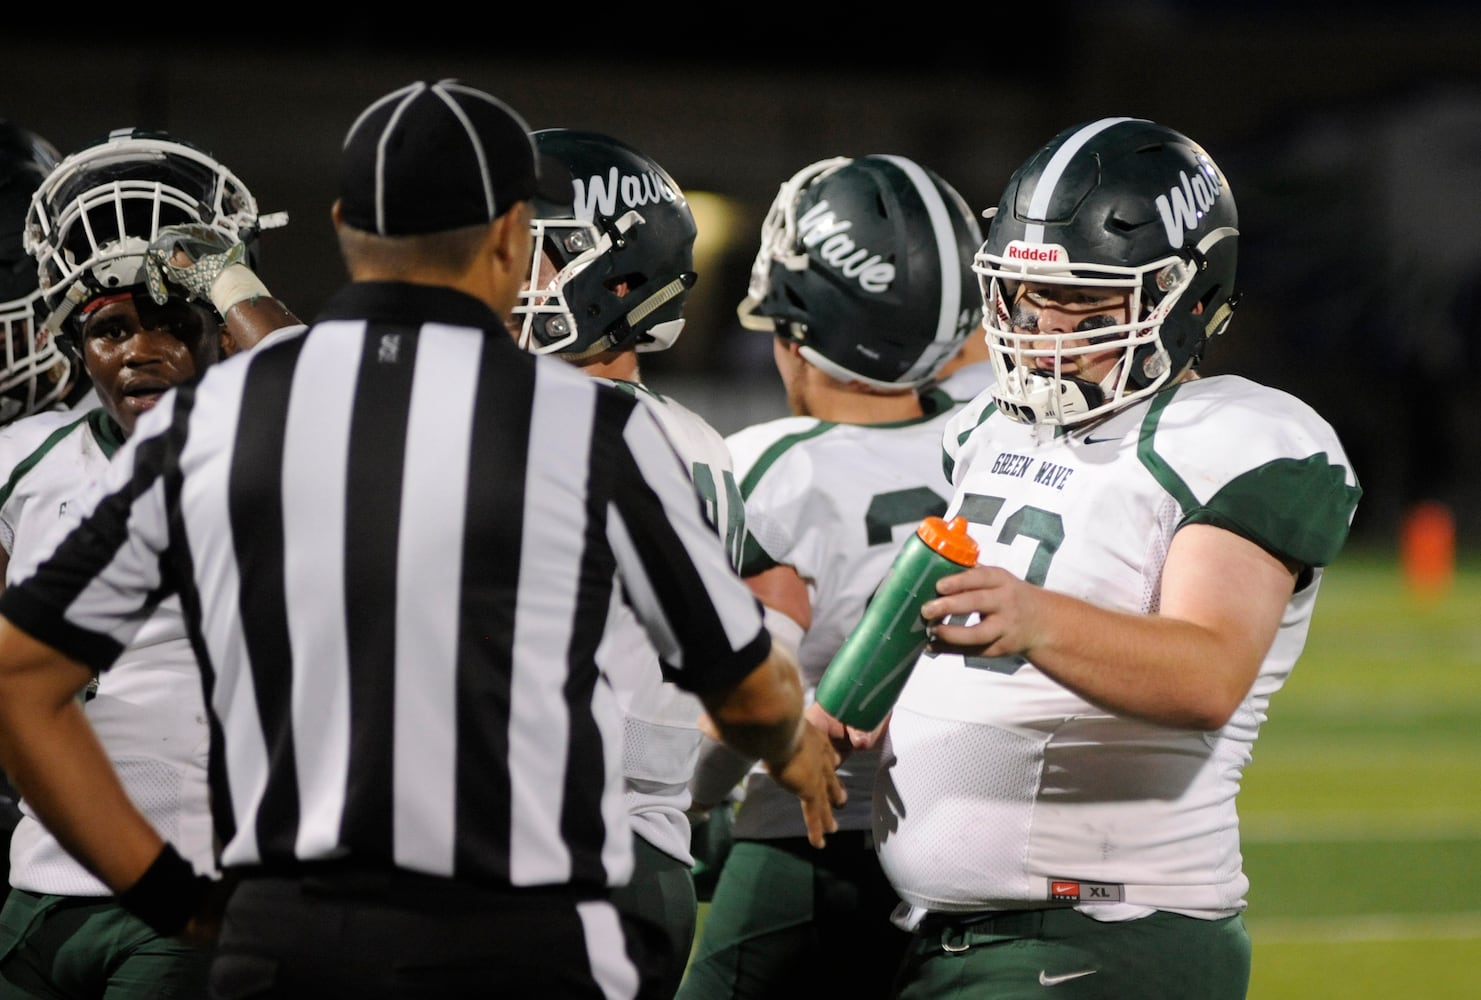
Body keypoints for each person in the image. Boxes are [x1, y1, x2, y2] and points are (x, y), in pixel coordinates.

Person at [0, 79, 843, 1000]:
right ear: (511, 234)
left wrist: (167, 897)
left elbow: (19, 679)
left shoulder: (213, 421)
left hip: (286, 937)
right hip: (515, 935)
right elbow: (744, 682)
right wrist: (792, 747)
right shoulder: (588, 424)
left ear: (342, 227)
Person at [848, 118, 1362, 999]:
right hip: (952, 937)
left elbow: (1205, 674)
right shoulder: (986, 426)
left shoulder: (1236, 435)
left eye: (1088, 304)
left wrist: (1037, 619)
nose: (1047, 330)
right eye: (1028, 298)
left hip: (1104, 933)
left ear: (1187, 297)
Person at [0, 127, 300, 999]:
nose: (141, 349)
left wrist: (229, 278)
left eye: (173, 321)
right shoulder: (25, 458)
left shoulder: (272, 447)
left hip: (195, 890)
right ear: (73, 347)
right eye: (110, 329)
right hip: (40, 883)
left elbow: (338, 392)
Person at [678, 153, 984, 999]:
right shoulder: (994, 438)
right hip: (960, 837)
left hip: (806, 838)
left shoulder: (770, 465)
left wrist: (680, 805)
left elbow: (736, 693)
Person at [510, 127, 744, 999]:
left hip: (559, 858)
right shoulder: (691, 437)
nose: (492, 278)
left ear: (614, 280)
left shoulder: (563, 425)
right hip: (636, 850)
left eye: (524, 256)